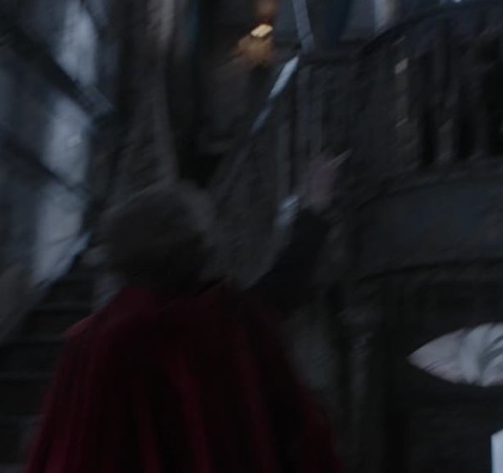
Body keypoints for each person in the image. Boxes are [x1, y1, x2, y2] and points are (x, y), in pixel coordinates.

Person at [24, 154, 348, 472]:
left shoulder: (87, 341)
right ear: (199, 248)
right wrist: (314, 209)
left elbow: (63, 449)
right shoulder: (227, 321)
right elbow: (283, 287)